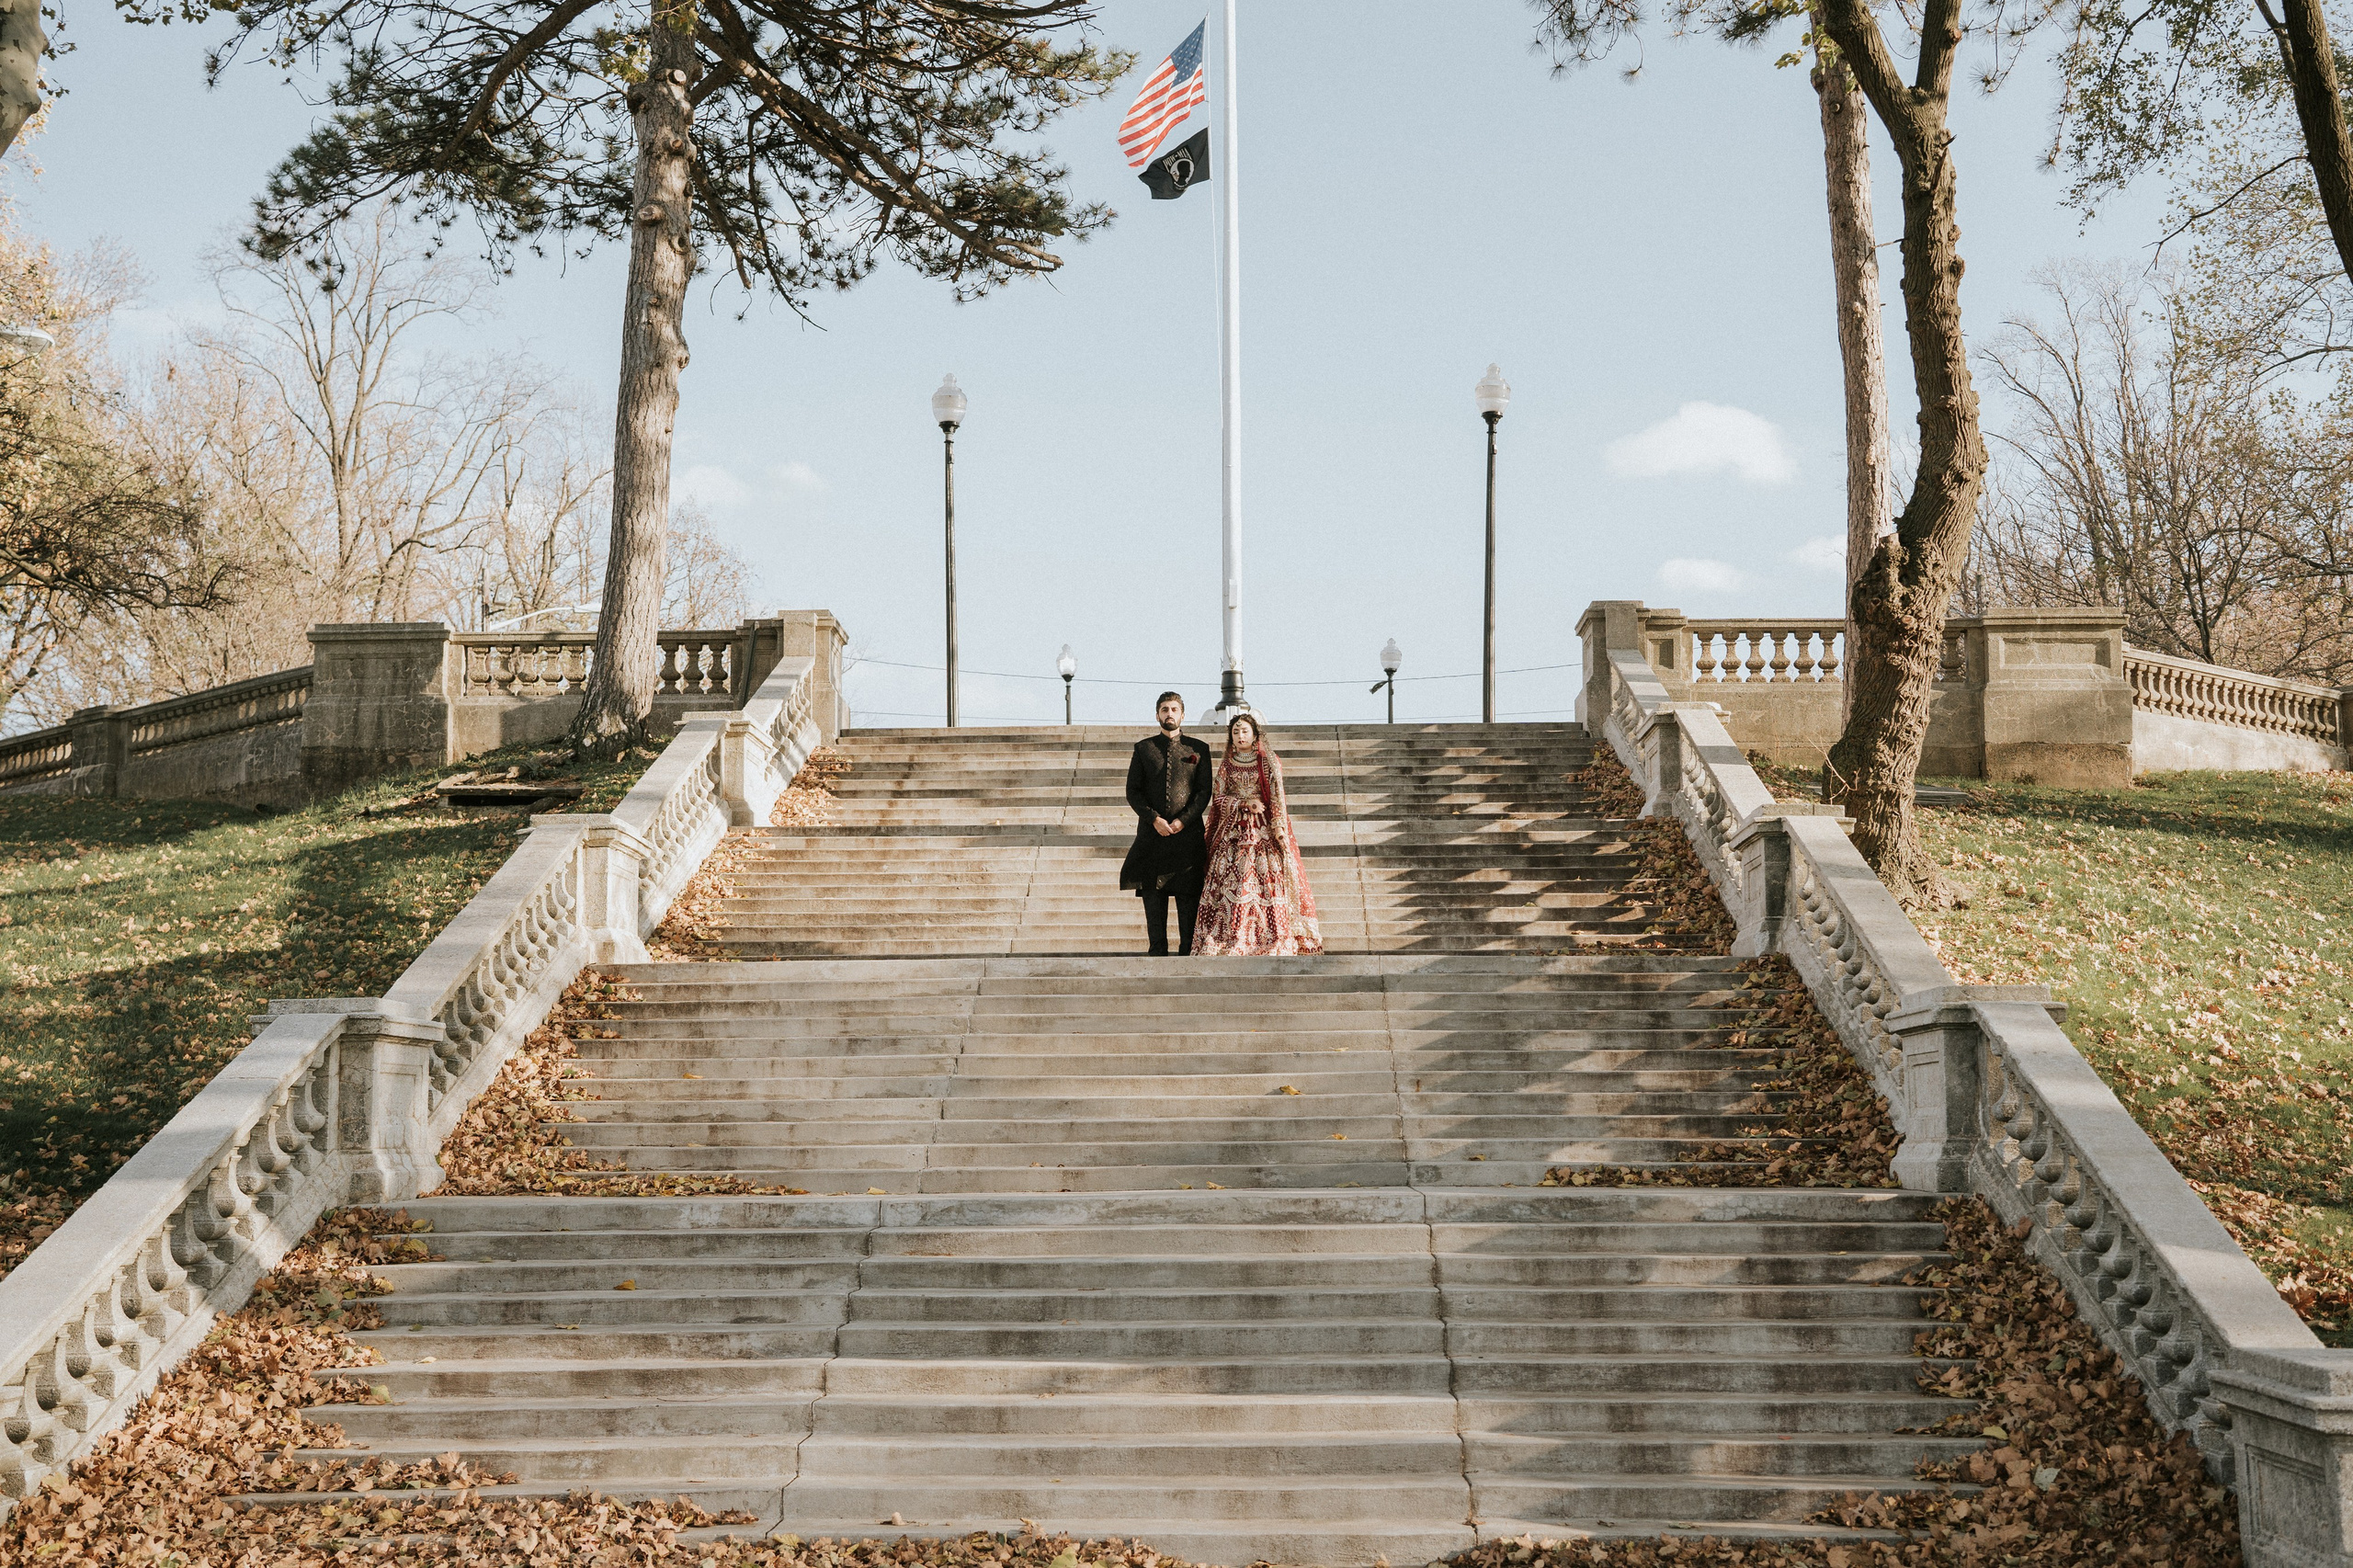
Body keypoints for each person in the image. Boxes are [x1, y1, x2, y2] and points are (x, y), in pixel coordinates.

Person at [1195, 713, 1324, 957]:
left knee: (1269, 885)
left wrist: (1279, 829)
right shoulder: (1227, 764)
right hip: (1233, 834)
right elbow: (1219, 798)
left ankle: (1271, 938)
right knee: (1231, 884)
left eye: (1244, 731)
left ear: (1255, 733)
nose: (1240, 736)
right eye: (1235, 732)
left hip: (1263, 832)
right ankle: (1232, 937)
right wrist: (1244, 804)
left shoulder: (1269, 761)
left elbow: (1277, 795)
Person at [1120, 690, 1213, 956]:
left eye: (1174, 709)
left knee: (1188, 897)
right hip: (1152, 837)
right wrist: (1154, 819)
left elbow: (1203, 792)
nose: (1169, 714)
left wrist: (1183, 821)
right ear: (1157, 714)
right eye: (1164, 709)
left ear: (1183, 715)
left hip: (1188, 838)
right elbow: (1133, 791)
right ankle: (1157, 952)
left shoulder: (1199, 749)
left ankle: (1187, 953)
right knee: (1153, 895)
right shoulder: (1143, 748)